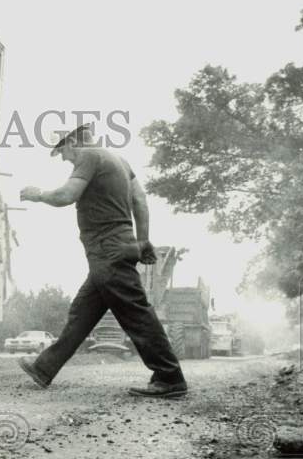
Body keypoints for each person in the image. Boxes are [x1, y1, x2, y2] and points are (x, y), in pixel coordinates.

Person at [17, 123, 188, 398]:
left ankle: (170, 377)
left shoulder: (88, 155)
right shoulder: (119, 160)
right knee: (81, 313)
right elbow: (141, 201)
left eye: (61, 151)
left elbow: (66, 195)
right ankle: (44, 368)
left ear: (72, 141)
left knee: (136, 313)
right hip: (116, 247)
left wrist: (37, 194)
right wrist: (142, 241)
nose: (63, 158)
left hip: (107, 250)